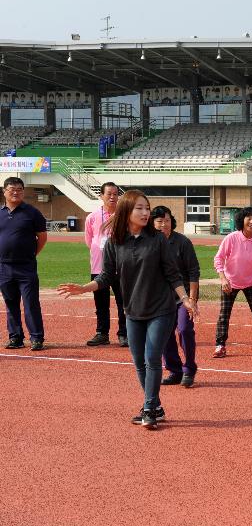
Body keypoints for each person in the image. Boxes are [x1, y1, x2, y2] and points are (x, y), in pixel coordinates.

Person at [58, 190, 197, 429]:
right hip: (132, 310)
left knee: (152, 358)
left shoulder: (158, 240)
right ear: (127, 212)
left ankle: (149, 408)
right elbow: (106, 276)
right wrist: (83, 288)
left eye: (146, 208)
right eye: (139, 208)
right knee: (139, 362)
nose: (145, 213)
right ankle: (155, 405)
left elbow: (173, 275)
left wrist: (185, 298)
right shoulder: (114, 242)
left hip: (162, 308)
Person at [212, 206, 252, 358]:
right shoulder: (231, 238)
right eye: (249, 218)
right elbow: (218, 258)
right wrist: (223, 278)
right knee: (224, 314)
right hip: (230, 282)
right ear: (242, 220)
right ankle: (220, 345)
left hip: (251, 282)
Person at [152, 206, 201, 388]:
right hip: (160, 299)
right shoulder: (149, 242)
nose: (164, 224)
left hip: (183, 297)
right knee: (164, 335)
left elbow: (193, 272)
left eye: (167, 220)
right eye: (159, 221)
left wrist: (193, 300)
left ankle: (189, 369)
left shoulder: (182, 242)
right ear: (152, 223)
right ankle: (175, 369)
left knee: (184, 329)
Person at [0, 177, 47, 351]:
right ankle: (15, 337)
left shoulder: (32, 212)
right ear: (4, 191)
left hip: (26, 267)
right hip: (4, 267)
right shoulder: (0, 214)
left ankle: (36, 338)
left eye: (19, 189)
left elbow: (42, 237)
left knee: (30, 303)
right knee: (10, 303)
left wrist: (32, 254)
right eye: (12, 189)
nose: (16, 192)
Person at [84, 182, 127, 347]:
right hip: (99, 267)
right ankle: (102, 333)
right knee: (101, 303)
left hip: (121, 266)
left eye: (115, 194)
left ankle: (124, 333)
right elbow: (90, 240)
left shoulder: (124, 216)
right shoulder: (92, 217)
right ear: (101, 196)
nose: (112, 197)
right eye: (109, 194)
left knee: (123, 302)